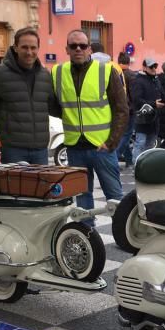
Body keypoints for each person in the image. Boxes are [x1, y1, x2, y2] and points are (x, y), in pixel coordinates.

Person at [52, 30, 128, 219]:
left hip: (101, 147)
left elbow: (121, 109)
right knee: (82, 198)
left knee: (115, 197)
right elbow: (53, 105)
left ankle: (125, 235)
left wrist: (111, 142)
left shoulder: (105, 71)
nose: (78, 49)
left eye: (82, 46)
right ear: (67, 49)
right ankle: (87, 235)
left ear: (89, 49)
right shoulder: (57, 72)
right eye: (73, 46)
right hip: (74, 147)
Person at [0, 27, 58, 164]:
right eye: (24, 47)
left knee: (41, 186)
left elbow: (53, 107)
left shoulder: (45, 75)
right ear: (15, 47)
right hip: (13, 150)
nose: (29, 52)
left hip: (40, 150)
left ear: (38, 48)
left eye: (33, 48)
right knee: (14, 186)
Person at [131, 57, 165, 162]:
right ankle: (137, 166)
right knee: (140, 143)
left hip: (154, 118)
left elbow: (162, 93)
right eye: (151, 67)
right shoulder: (138, 80)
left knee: (151, 144)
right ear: (144, 67)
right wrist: (153, 104)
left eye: (155, 66)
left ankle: (146, 165)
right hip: (142, 118)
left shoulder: (156, 80)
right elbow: (136, 100)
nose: (154, 69)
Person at [115, 52, 136, 168]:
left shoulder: (114, 72)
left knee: (123, 135)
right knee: (126, 135)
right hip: (129, 109)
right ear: (129, 62)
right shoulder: (131, 75)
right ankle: (115, 157)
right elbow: (133, 94)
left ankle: (128, 160)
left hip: (116, 109)